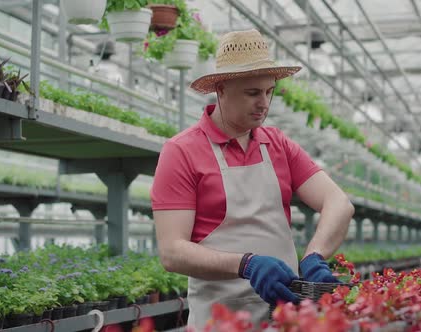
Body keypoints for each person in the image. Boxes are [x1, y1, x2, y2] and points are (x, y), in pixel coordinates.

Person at [151, 29, 354, 329]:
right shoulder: (181, 151)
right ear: (221, 89)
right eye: (252, 93)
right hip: (220, 322)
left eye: (269, 91)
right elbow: (172, 252)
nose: (264, 103)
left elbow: (338, 203)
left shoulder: (277, 144)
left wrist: (314, 256)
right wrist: (245, 265)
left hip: (283, 319)